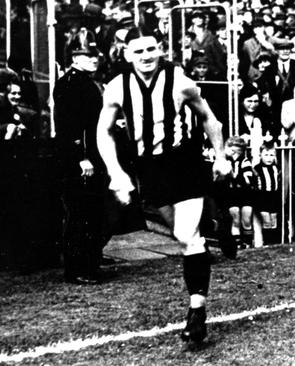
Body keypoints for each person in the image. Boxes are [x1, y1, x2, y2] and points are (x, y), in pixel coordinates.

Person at [95, 27, 231, 344]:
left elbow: (210, 118)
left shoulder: (180, 82)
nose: (146, 56)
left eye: (152, 49)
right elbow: (104, 132)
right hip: (150, 168)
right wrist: (116, 172)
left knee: (186, 235)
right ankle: (214, 221)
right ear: (127, 54)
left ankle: (197, 312)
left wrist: (221, 156)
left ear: (161, 49)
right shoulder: (117, 88)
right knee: (185, 239)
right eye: (139, 51)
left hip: (184, 163)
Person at [53, 28, 109, 285]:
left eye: (94, 55)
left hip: (91, 155)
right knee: (80, 213)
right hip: (79, 158)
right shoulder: (70, 83)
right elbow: (69, 127)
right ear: (75, 58)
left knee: (92, 210)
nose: (93, 60)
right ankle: (78, 267)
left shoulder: (84, 81)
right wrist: (81, 157)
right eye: (87, 56)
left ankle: (89, 260)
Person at [253, 142, 282, 244]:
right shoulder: (257, 168)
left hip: (274, 196)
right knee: (266, 221)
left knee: (274, 220)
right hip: (263, 197)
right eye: (266, 155)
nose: (269, 158)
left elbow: (279, 182)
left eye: (271, 155)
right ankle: (267, 243)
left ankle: (274, 243)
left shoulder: (277, 168)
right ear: (260, 155)